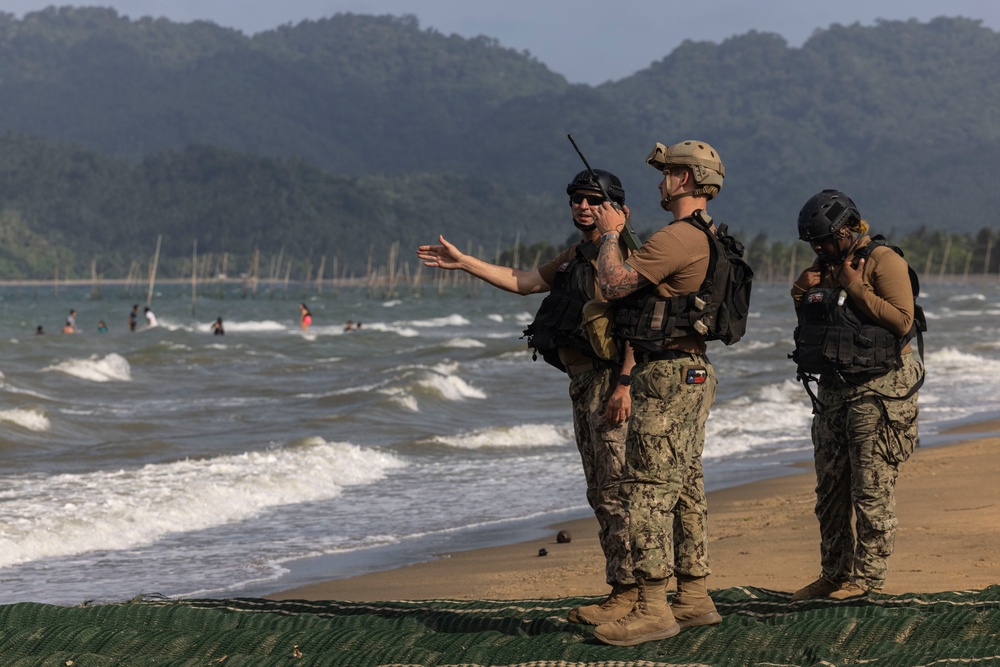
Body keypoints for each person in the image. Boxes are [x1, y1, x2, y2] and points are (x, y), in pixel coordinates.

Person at [417, 169, 638, 626]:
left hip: (608, 382)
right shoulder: (578, 254)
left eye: (593, 199)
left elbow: (638, 320)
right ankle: (624, 587)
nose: (582, 206)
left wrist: (625, 384)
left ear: (617, 208)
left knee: (617, 490)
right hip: (583, 385)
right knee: (600, 491)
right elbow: (525, 281)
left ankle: (631, 592)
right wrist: (464, 262)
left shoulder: (624, 255)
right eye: (576, 198)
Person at [589, 140, 727, 646]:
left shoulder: (678, 236)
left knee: (645, 488)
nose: (661, 181)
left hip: (667, 374)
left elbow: (613, 284)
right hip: (690, 371)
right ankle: (693, 596)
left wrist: (611, 234)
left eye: (667, 172)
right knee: (685, 485)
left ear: (685, 178)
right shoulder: (708, 234)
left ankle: (652, 608)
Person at [789, 190, 924, 600]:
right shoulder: (824, 266)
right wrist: (800, 292)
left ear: (847, 230)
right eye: (812, 243)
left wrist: (855, 286)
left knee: (871, 487)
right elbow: (819, 327)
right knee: (830, 490)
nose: (817, 249)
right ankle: (834, 574)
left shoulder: (883, 260)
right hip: (835, 388)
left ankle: (867, 581)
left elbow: (903, 321)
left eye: (824, 240)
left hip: (880, 389)